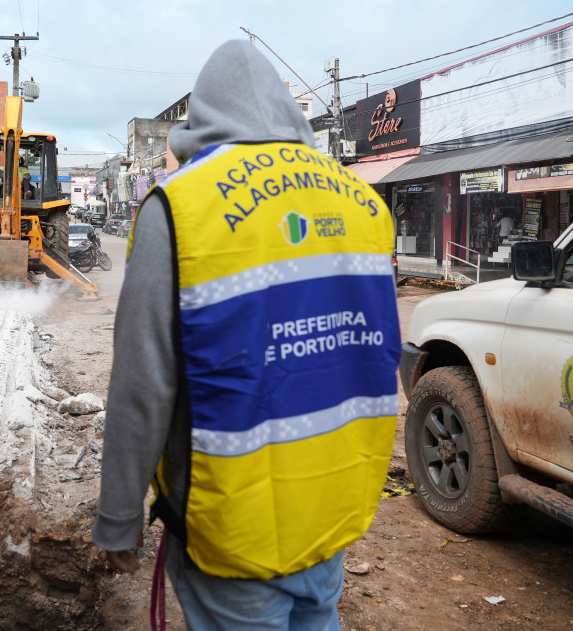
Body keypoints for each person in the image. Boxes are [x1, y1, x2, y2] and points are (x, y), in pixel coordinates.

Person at [92, 40, 401, 630]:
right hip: (333, 512)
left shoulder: (178, 208)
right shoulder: (364, 205)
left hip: (231, 529)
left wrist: (118, 519)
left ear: (200, 118)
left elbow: (142, 386)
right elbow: (372, 351)